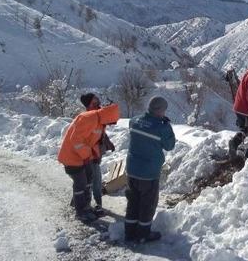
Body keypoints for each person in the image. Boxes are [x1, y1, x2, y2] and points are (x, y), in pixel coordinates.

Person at [57, 93, 121, 222]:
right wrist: (87, 156)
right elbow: (75, 139)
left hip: (83, 157)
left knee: (88, 182)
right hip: (72, 157)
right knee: (81, 184)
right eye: (112, 121)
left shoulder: (99, 119)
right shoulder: (89, 118)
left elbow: (92, 141)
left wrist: (95, 154)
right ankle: (81, 211)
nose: (112, 124)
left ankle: (85, 207)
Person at [124, 96, 176, 243]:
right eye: (164, 110)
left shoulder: (134, 121)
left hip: (132, 170)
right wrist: (167, 127)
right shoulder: (162, 127)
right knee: (147, 204)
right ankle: (142, 234)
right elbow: (170, 146)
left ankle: (129, 232)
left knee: (133, 201)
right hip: (148, 173)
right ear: (160, 110)